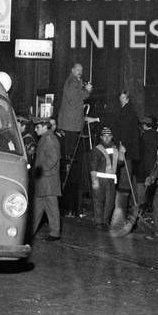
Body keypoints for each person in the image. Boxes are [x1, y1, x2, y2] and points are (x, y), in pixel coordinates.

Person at [57, 61, 92, 216]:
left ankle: (72, 206)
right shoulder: (71, 82)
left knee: (73, 164)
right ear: (72, 70)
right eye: (78, 69)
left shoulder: (75, 82)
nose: (80, 72)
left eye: (81, 70)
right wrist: (87, 91)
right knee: (71, 164)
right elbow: (74, 99)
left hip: (73, 126)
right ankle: (68, 206)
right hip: (71, 126)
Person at [29, 117, 62, 242]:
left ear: (44, 126)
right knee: (38, 207)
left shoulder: (49, 138)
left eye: (37, 127)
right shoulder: (46, 138)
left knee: (51, 207)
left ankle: (55, 233)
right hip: (44, 180)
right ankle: (29, 232)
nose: (35, 130)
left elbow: (53, 158)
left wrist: (41, 171)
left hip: (48, 180)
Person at [89, 125, 122, 227]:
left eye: (109, 135)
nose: (107, 138)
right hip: (100, 178)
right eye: (105, 136)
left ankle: (105, 220)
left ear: (112, 137)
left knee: (110, 202)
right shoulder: (97, 149)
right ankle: (99, 222)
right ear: (101, 137)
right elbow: (93, 166)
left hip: (111, 179)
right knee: (99, 200)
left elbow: (120, 164)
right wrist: (94, 182)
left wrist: (122, 154)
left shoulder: (116, 149)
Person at [110, 89, 142, 183]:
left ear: (127, 99)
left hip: (125, 147)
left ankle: (123, 193)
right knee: (123, 172)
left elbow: (126, 130)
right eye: (121, 97)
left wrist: (121, 143)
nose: (121, 99)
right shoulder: (123, 111)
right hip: (124, 145)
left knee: (125, 173)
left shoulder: (128, 112)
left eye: (123, 97)